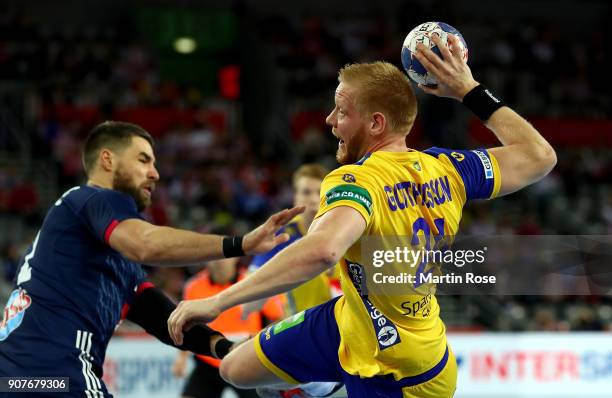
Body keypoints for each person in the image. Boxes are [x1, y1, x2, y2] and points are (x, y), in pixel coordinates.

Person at [168, 35, 556, 398]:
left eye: (341, 111)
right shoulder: (448, 168)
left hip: (402, 369)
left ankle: (329, 383)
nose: (329, 121)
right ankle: (324, 383)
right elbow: (540, 156)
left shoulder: (357, 180)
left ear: (375, 124)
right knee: (234, 369)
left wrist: (219, 303)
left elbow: (322, 251)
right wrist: (469, 91)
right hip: (348, 320)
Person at [0, 121, 303, 398]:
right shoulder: (91, 198)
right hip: (55, 373)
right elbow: (145, 244)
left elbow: (165, 320)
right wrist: (241, 244)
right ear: (108, 160)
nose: (155, 173)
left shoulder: (103, 255)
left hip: (20, 378)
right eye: (143, 160)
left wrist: (225, 348)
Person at [173, 257, 283, 398]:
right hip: (208, 359)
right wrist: (181, 357)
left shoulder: (252, 282)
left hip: (245, 358)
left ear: (235, 258)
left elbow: (278, 318)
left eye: (224, 257)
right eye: (214, 256)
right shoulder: (194, 286)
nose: (219, 262)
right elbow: (186, 324)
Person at [244, 164, 335, 318]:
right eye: (306, 192)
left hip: (345, 327)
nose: (313, 199)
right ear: (295, 197)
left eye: (319, 192)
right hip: (301, 327)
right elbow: (249, 301)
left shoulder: (346, 228)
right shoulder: (281, 235)